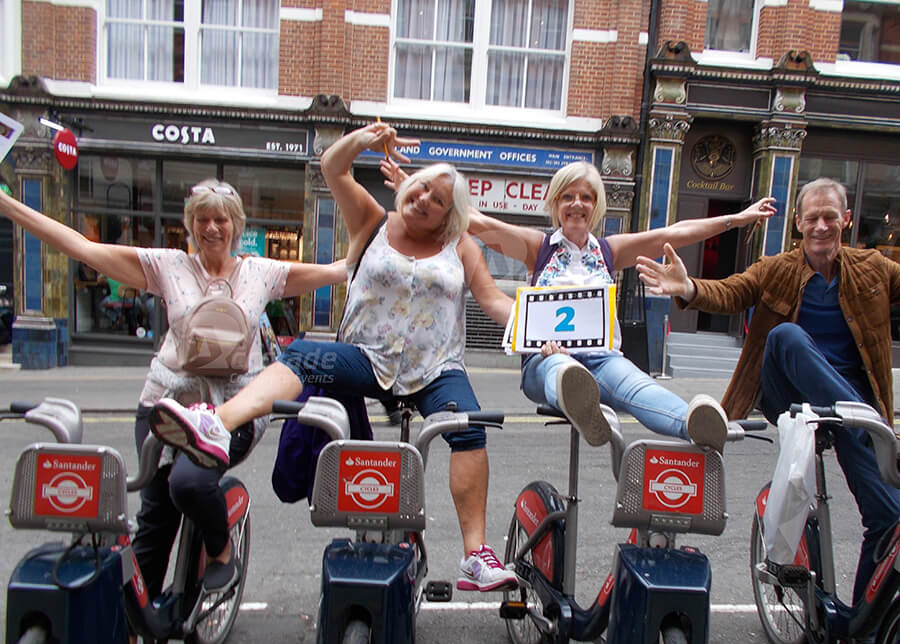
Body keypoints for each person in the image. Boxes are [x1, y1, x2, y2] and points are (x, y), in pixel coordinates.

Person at [637, 176, 900, 644]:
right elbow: (731, 291)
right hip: (794, 398)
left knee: (890, 517)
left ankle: (863, 634)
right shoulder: (780, 269)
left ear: (845, 220)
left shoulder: (873, 268)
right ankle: (877, 433)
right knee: (786, 336)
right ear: (799, 223)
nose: (823, 225)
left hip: (854, 414)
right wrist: (690, 288)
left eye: (832, 216)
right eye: (813, 217)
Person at [147, 122, 519, 593]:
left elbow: (491, 300)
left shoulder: (460, 246)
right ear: (408, 184)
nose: (424, 198)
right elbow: (332, 166)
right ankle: (216, 424)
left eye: (438, 199)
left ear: (449, 216)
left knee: (469, 428)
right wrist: (368, 137)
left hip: (435, 369)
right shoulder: (373, 221)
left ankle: (475, 555)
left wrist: (533, 327)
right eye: (421, 185)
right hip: (365, 357)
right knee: (302, 354)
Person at [0, 179, 348, 597]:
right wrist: (8, 205)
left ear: (236, 225)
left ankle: (220, 552)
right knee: (155, 519)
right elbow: (83, 248)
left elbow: (340, 270)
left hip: (233, 407)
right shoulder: (168, 266)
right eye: (202, 218)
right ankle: (140, 632)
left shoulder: (263, 272)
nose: (212, 227)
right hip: (163, 404)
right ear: (191, 224)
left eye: (221, 218)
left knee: (187, 483)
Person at [386, 158, 776, 450]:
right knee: (561, 367)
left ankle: (697, 422)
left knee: (636, 383)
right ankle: (579, 402)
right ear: (556, 203)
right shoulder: (536, 247)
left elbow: (671, 234)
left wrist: (735, 219)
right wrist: (417, 190)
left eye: (586, 198)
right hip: (546, 359)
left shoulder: (609, 251)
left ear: (597, 206)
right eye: (568, 197)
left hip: (602, 359)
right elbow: (480, 223)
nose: (577, 204)